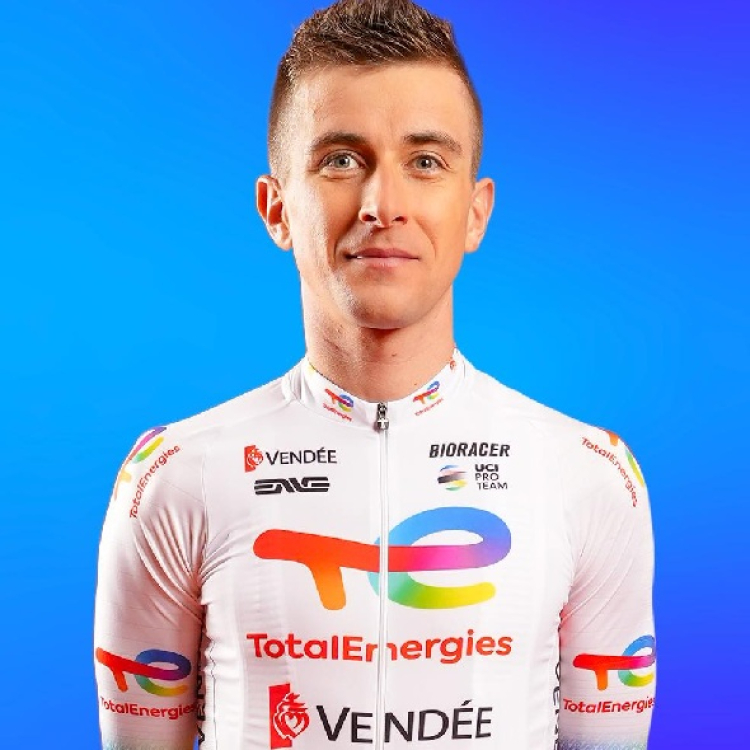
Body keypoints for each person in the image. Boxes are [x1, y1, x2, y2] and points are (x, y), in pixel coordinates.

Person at [94, 1, 656, 748]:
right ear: (276, 209)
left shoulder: (588, 475)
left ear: (476, 211)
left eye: (425, 162)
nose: (382, 206)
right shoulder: (174, 475)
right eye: (340, 160)